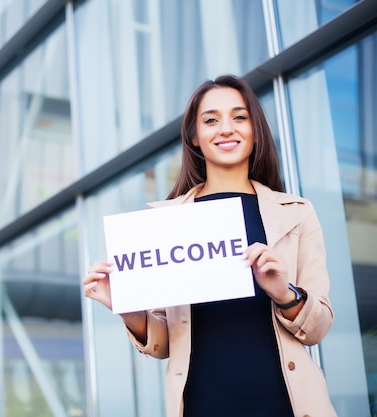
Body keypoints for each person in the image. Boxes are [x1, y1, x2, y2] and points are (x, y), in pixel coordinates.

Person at [82, 74, 337, 417]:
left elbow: (318, 327)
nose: (226, 128)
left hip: (286, 403)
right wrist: (127, 307)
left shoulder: (296, 214)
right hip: (202, 405)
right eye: (211, 120)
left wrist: (284, 293)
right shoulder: (166, 222)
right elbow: (164, 344)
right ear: (194, 136)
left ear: (255, 130)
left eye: (239, 117)